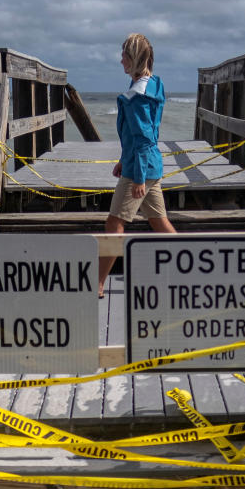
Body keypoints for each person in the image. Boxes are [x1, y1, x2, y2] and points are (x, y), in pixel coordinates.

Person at [98, 33, 177, 296]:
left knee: (114, 224)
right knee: (159, 222)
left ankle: (97, 283)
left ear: (133, 59)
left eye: (124, 55)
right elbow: (141, 136)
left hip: (140, 170)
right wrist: (124, 158)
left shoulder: (136, 97)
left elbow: (143, 139)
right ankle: (192, 266)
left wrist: (138, 177)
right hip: (147, 164)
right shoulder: (154, 85)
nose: (120, 60)